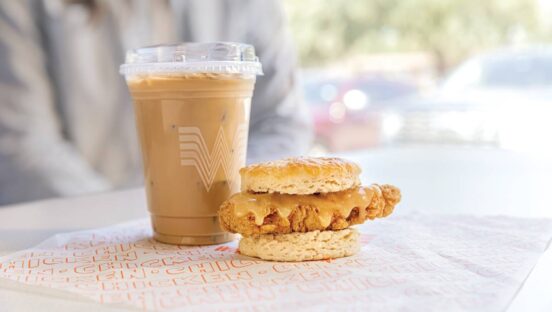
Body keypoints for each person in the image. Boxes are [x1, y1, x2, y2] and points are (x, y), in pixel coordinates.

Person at [0, 0, 312, 205]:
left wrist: (227, 206)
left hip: (224, 240)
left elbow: (280, 122)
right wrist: (127, 223)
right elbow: (23, 146)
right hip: (83, 240)